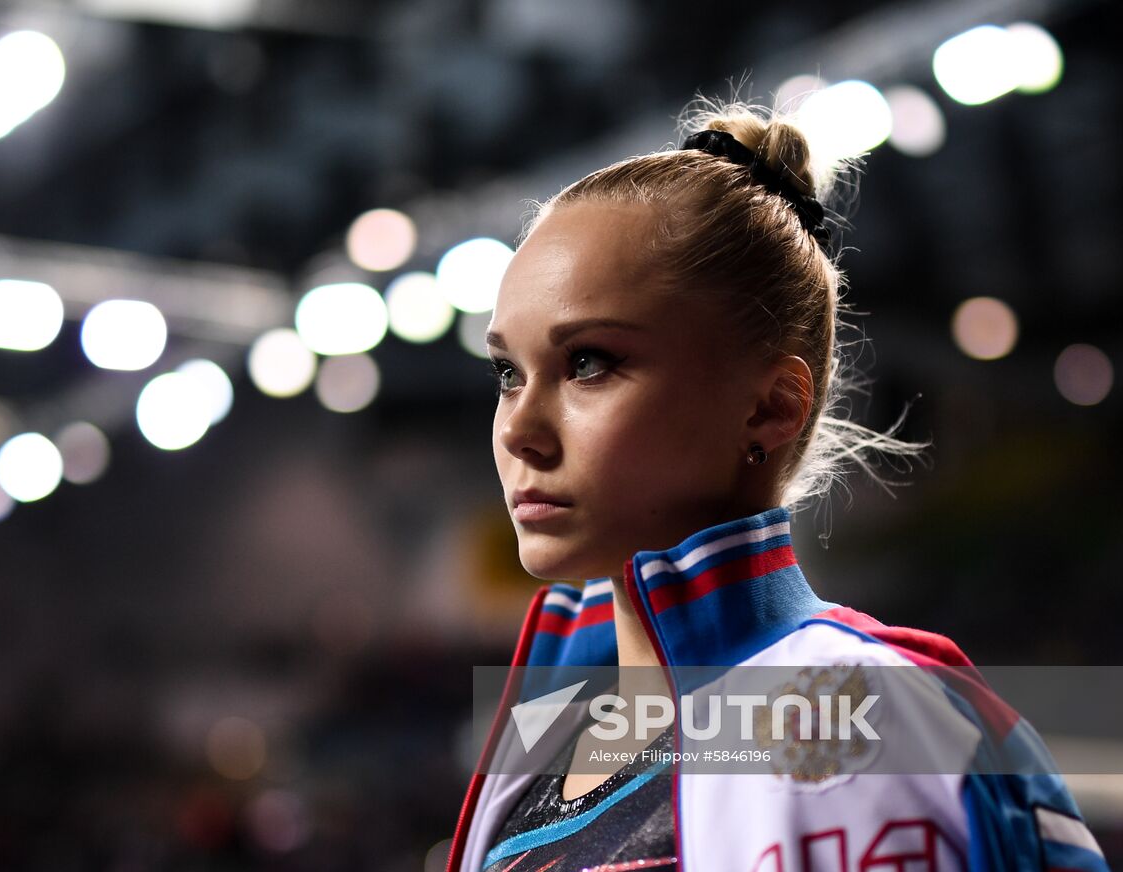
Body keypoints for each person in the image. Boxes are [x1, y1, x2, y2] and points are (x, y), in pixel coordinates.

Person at [446, 98, 1111, 872]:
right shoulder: (540, 736)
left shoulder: (867, 726)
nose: (517, 429)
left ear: (771, 406)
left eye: (589, 362)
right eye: (507, 372)